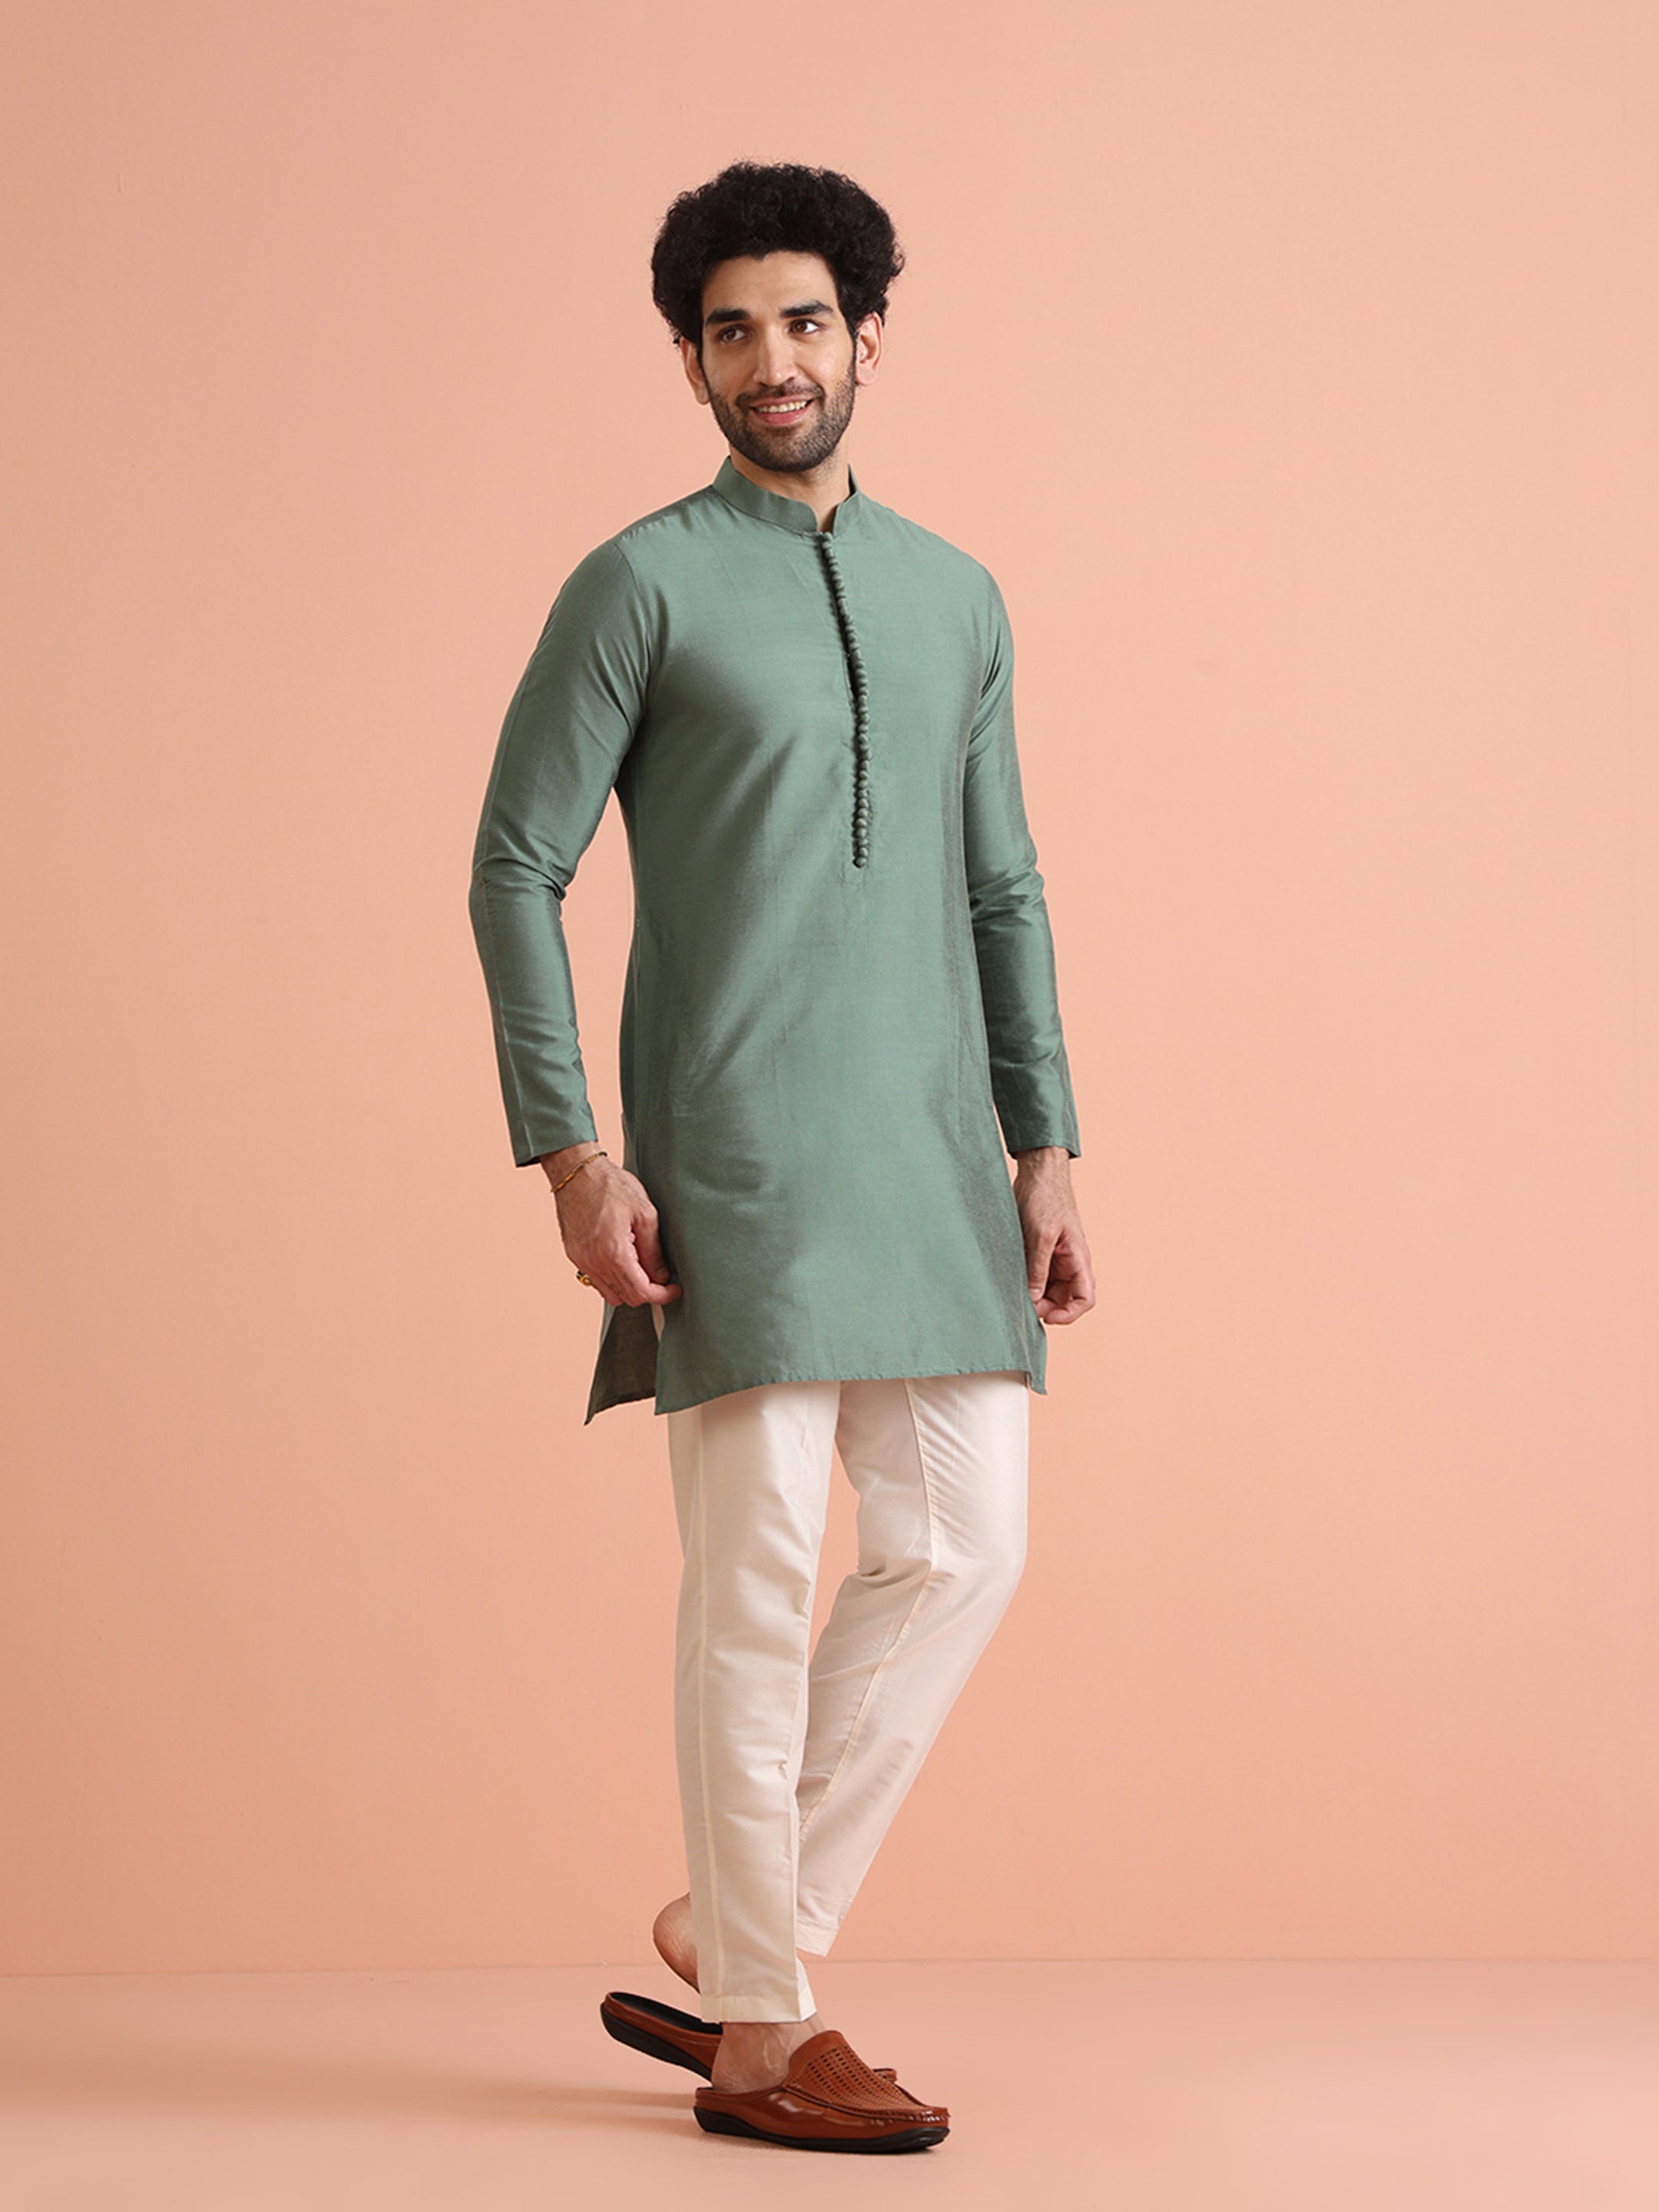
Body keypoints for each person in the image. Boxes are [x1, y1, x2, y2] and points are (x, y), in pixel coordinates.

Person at [468, 160, 1094, 2154]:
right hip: (730, 1162)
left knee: (967, 1546)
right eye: (730, 330)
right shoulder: (640, 584)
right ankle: (762, 2029)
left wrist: (1047, 1142)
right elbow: (514, 866)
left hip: (928, 1159)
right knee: (752, 1583)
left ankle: (754, 1923)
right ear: (692, 362)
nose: (772, 361)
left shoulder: (958, 595)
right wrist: (575, 1157)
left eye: (805, 321)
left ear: (868, 337)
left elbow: (1002, 883)